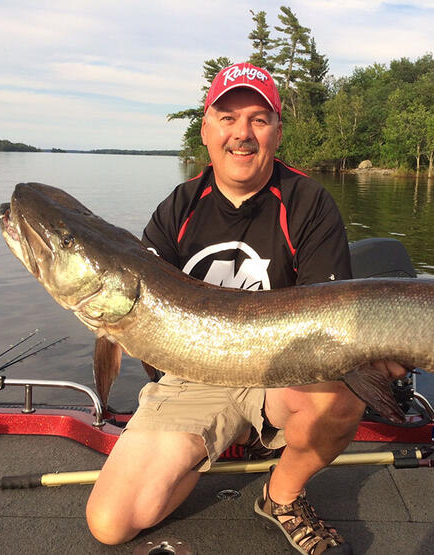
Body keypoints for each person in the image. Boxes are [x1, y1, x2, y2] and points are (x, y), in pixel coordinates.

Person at [85, 62, 406, 554]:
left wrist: (375, 354)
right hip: (194, 375)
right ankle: (201, 446)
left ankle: (281, 495)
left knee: (338, 397)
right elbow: (140, 308)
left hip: (281, 367)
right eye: (228, 118)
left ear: (277, 131)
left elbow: (331, 326)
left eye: (259, 119)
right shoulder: (180, 205)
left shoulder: (308, 202)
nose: (243, 134)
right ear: (207, 130)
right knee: (111, 523)